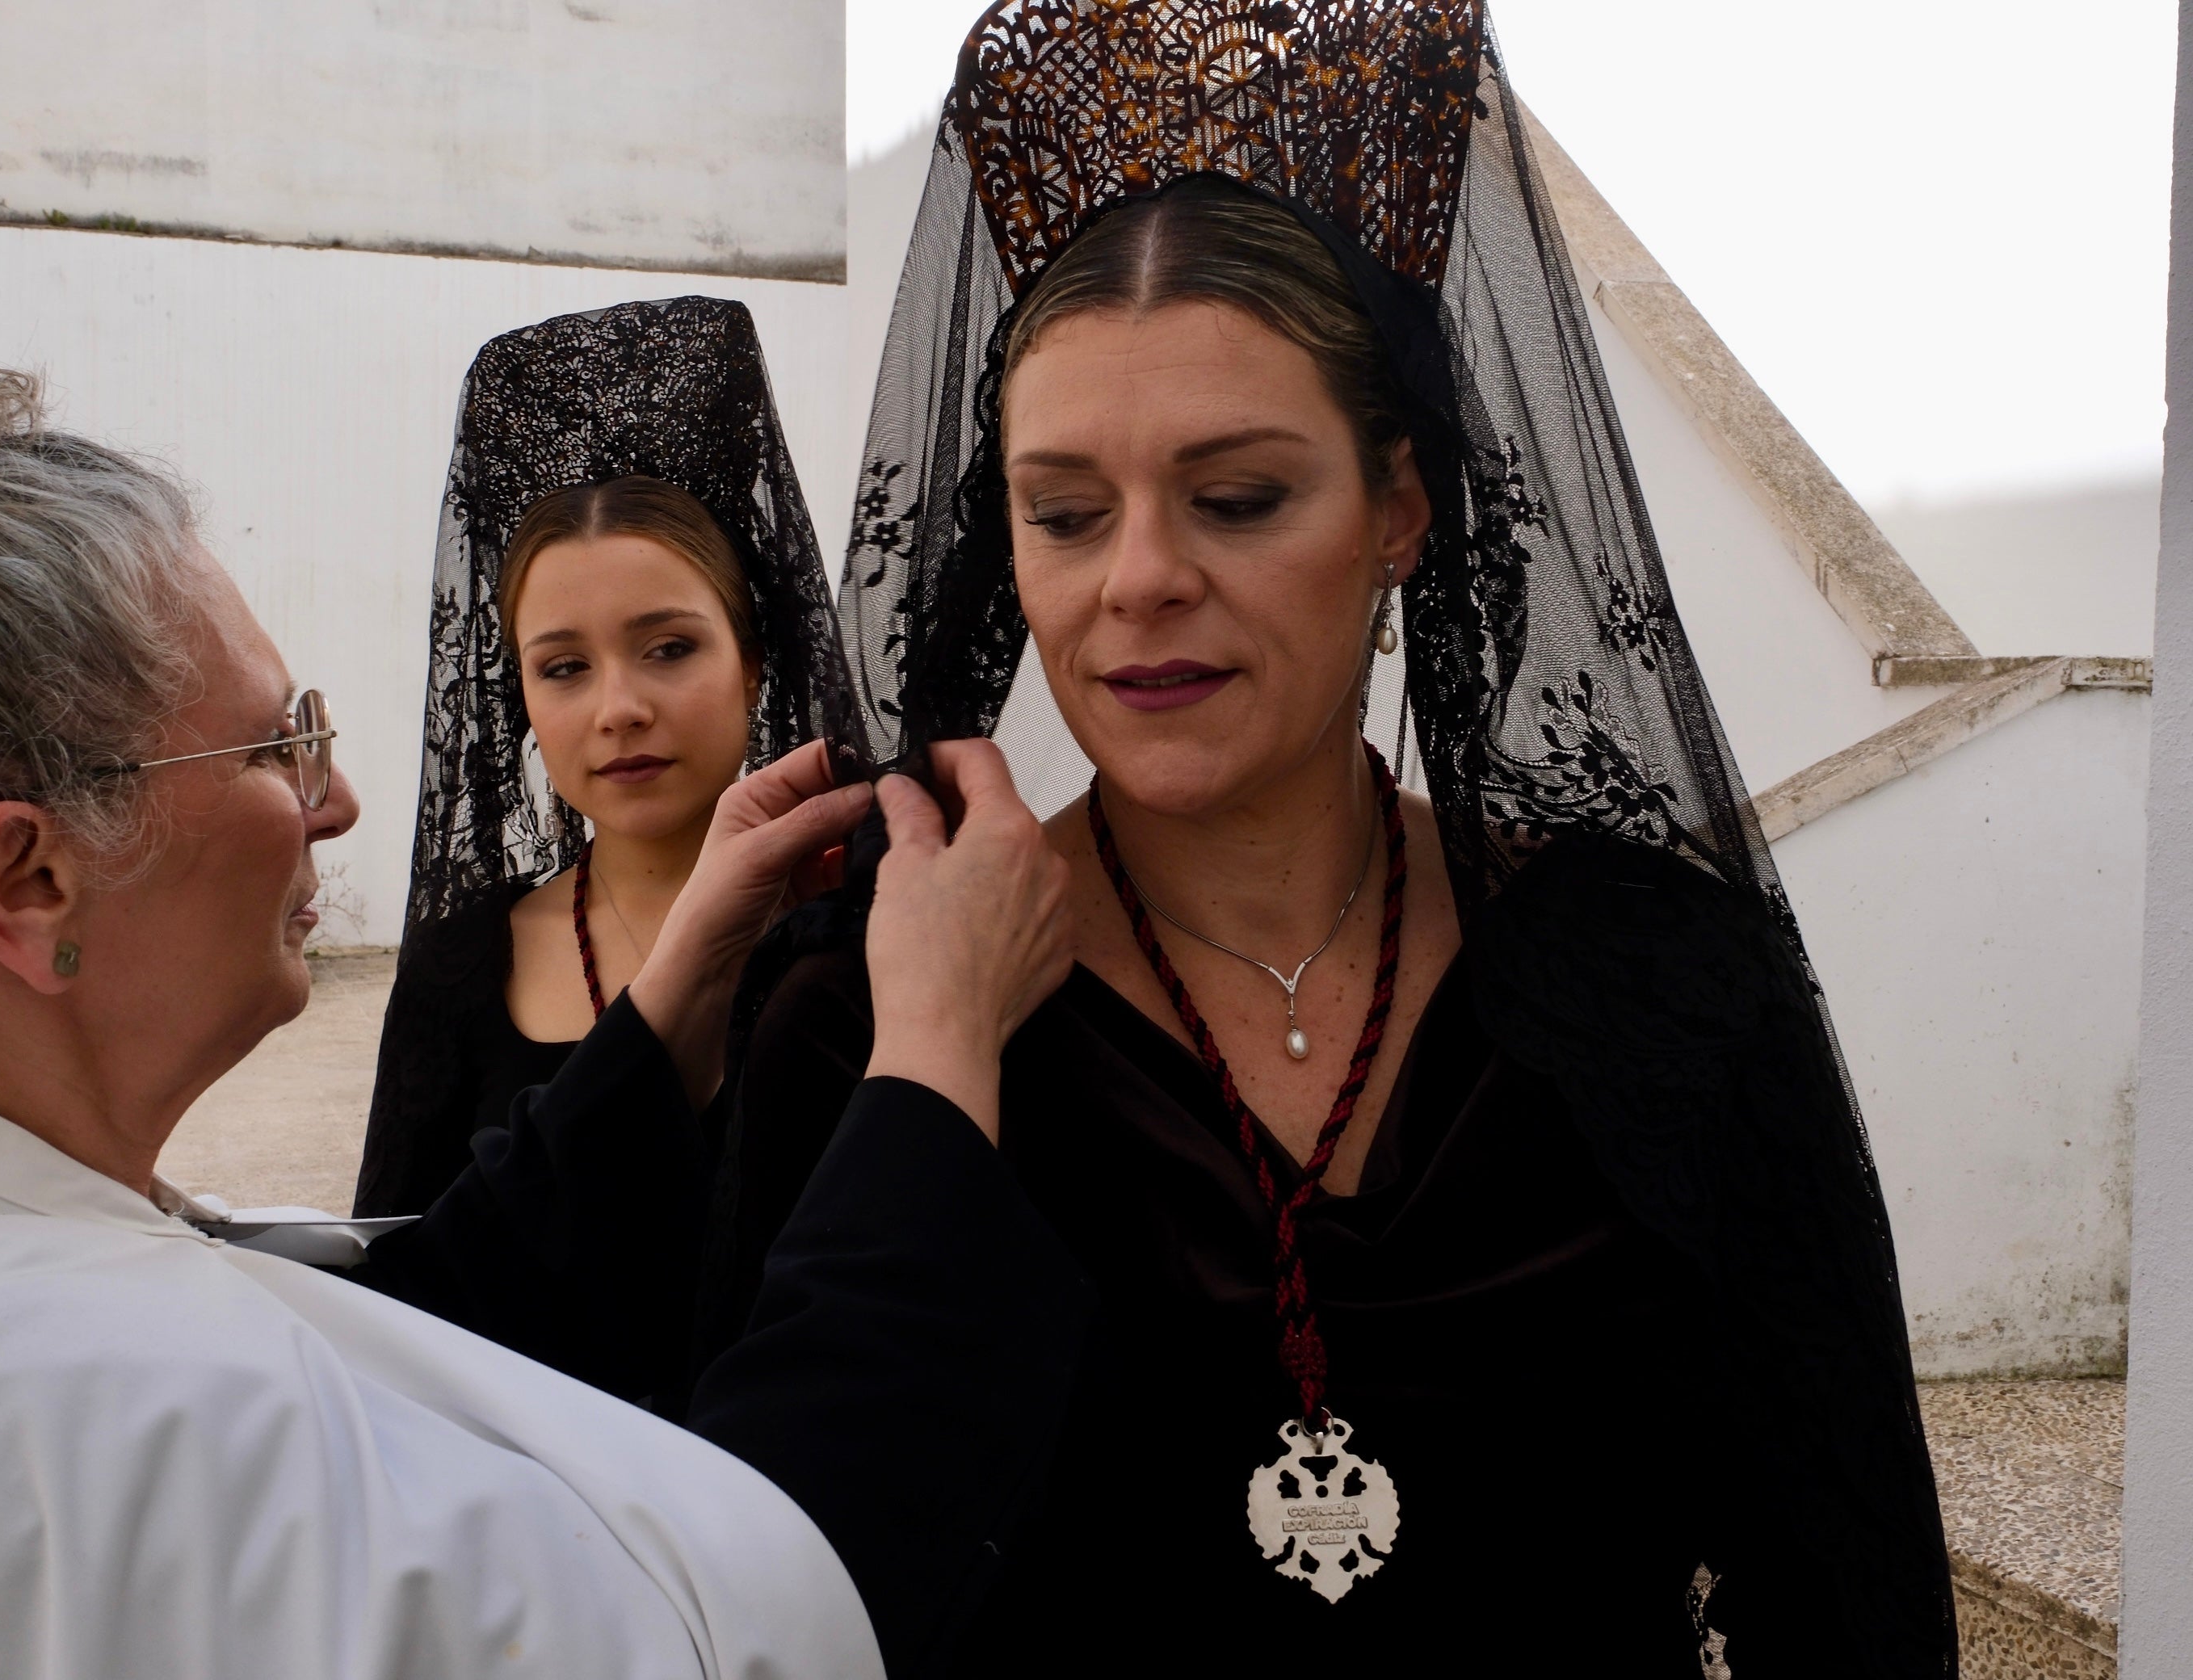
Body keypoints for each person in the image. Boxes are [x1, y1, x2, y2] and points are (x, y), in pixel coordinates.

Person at [700, 3, 1956, 1675]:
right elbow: (765, 1585)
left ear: (1399, 512)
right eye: (1064, 514)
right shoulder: (873, 1032)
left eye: (1236, 497)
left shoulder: (1656, 978)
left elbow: (1838, 1570)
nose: (1137, 576)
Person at [0, 287, 1083, 1680]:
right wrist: (943, 1046)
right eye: (275, 745)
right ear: (28, 882)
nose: (338, 801)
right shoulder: (130, 1428)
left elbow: (395, 1326)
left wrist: (685, 978)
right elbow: (757, 1625)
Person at [354, 297, 862, 1225]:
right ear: (522, 700)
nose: (619, 709)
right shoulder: (470, 961)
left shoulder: (864, 921)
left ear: (753, 663)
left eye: (669, 648)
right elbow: (408, 1284)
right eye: (563, 668)